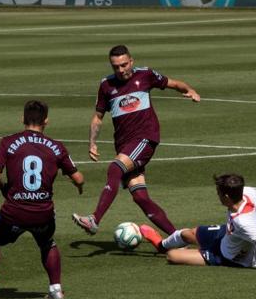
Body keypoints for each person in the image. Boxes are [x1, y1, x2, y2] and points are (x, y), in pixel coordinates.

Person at [72, 45, 200, 236]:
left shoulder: (145, 75)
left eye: (124, 65)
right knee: (140, 196)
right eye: (116, 67)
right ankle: (176, 237)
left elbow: (172, 83)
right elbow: (98, 117)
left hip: (145, 139)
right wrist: (92, 142)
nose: (121, 70)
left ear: (131, 61)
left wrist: (190, 90)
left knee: (115, 168)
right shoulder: (106, 85)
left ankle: (94, 219)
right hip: (124, 144)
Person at [0, 100, 84, 299]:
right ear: (46, 121)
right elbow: (79, 178)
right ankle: (56, 289)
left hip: (14, 212)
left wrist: (5, 189)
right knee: (47, 242)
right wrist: (78, 186)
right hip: (43, 213)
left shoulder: (8, 141)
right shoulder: (57, 147)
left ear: (22, 119)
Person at [140, 150, 256, 276]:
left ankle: (180, 249)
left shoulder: (245, 222)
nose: (217, 195)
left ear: (226, 197)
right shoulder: (248, 193)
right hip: (227, 234)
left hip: (230, 256)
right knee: (186, 233)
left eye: (218, 193)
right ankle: (160, 244)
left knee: (173, 256)